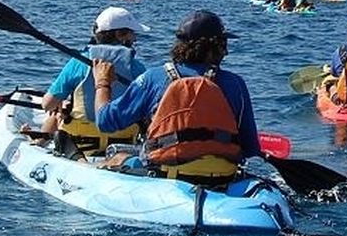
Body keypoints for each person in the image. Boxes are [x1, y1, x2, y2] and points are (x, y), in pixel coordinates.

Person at [92, 10, 263, 184]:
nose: (226, 52)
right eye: (223, 44)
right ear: (214, 48)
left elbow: (105, 121)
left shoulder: (153, 79)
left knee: (119, 156)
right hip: (223, 176)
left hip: (165, 174)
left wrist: (102, 83)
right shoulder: (236, 84)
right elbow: (250, 149)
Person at [37, 6, 150, 155]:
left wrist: (62, 106)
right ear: (119, 34)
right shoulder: (138, 68)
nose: (134, 38)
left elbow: (47, 104)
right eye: (131, 33)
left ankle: (36, 144)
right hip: (123, 147)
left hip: (80, 148)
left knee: (57, 111)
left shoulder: (78, 63)